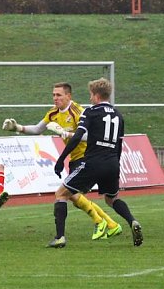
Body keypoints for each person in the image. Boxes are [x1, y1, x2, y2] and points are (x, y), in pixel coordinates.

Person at [2, 82, 123, 240]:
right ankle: (110, 223)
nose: (55, 98)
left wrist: (68, 134)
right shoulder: (53, 113)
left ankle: (100, 222)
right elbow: (38, 129)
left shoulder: (78, 111)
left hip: (87, 157)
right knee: (71, 195)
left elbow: (91, 136)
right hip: (74, 157)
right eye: (53, 95)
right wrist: (18, 127)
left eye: (58, 95)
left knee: (67, 193)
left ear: (68, 96)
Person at [50, 78, 142, 248]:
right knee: (111, 199)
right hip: (113, 162)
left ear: (96, 95)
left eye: (91, 95)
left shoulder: (90, 112)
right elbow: (120, 144)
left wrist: (62, 159)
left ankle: (60, 237)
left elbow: (78, 136)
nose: (90, 98)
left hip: (93, 162)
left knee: (61, 194)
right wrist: (116, 164)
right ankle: (133, 221)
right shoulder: (118, 115)